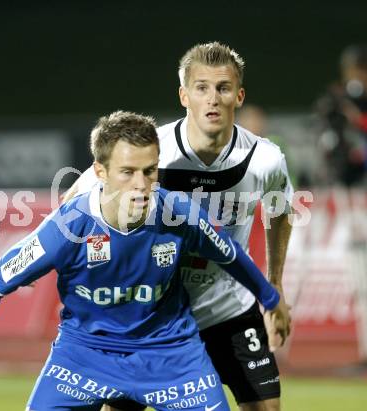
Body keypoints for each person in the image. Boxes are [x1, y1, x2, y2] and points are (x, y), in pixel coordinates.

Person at [0, 111, 289, 411]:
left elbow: (231, 255)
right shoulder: (67, 228)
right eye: (127, 172)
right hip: (83, 358)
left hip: (172, 357)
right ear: (99, 173)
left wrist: (271, 299)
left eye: (150, 171)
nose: (141, 184)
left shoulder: (179, 214)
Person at [64, 42, 294, 411]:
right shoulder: (151, 151)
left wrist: (276, 283)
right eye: (201, 88)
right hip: (153, 316)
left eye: (223, 88)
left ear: (239, 95)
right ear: (184, 95)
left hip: (228, 310)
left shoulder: (264, 159)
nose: (213, 99)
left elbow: (280, 212)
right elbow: (73, 203)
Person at [315, 44, 367, 186]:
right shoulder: (336, 95)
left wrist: (358, 119)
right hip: (341, 167)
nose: (355, 76)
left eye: (360, 70)